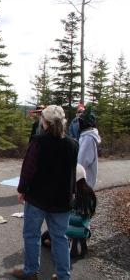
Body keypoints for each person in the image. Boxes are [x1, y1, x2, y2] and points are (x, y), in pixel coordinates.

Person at [13, 105, 78, 280]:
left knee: (31, 235)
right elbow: (72, 172)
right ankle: (64, 276)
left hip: (37, 197)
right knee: (60, 238)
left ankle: (31, 272)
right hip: (62, 199)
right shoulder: (73, 144)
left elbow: (29, 168)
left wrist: (21, 189)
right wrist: (72, 192)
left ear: (45, 122)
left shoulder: (38, 141)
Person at [41, 164, 97, 258]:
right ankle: (78, 243)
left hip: (67, 230)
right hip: (84, 230)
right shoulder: (90, 193)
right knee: (78, 223)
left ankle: (67, 244)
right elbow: (91, 214)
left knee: (44, 237)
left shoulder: (69, 193)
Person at [77, 106, 101, 189]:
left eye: (80, 121)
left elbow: (81, 163)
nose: (78, 124)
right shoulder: (87, 136)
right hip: (85, 181)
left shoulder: (88, 138)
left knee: (84, 201)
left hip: (85, 182)